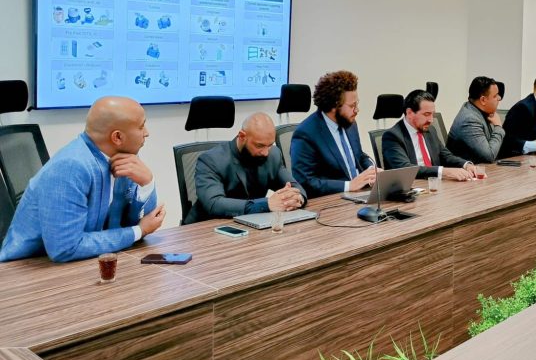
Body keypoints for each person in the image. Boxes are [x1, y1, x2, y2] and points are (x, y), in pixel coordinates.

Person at [0, 96, 165, 263]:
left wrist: (147, 182)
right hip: (28, 269)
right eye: (141, 126)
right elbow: (65, 248)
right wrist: (138, 231)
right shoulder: (70, 167)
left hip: (87, 260)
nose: (147, 133)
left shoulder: (123, 158)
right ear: (117, 137)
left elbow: (140, 223)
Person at [185, 112, 306, 224]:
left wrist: (296, 198)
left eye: (270, 145)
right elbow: (214, 204)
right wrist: (266, 204)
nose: (265, 152)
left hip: (250, 224)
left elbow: (296, 187)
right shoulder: (210, 160)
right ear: (242, 136)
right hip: (207, 227)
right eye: (260, 146)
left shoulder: (273, 155)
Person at [290, 70, 378, 198]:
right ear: (333, 106)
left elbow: (359, 156)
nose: (357, 110)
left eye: (357, 104)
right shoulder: (306, 134)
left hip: (360, 195)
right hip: (333, 201)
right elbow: (306, 182)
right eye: (352, 106)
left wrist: (371, 171)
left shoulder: (350, 123)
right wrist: (349, 185)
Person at [382, 90, 475, 180]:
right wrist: (443, 172)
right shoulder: (393, 136)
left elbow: (445, 155)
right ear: (409, 113)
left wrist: (466, 165)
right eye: (426, 114)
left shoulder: (430, 130)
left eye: (432, 114)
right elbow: (405, 169)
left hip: (434, 184)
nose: (431, 120)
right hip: (413, 187)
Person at [446, 76, 505, 164]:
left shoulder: (480, 111)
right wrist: (498, 127)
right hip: (465, 171)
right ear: (483, 100)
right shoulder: (470, 120)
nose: (499, 98)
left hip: (480, 169)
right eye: (495, 96)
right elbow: (489, 156)